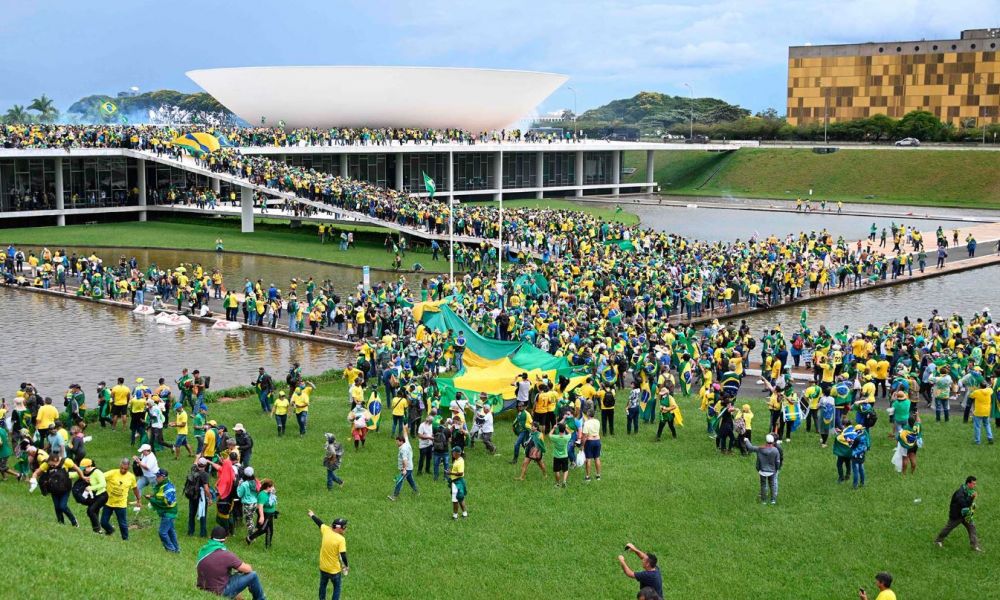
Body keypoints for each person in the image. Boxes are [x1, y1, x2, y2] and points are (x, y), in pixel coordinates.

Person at [197, 525, 267, 599]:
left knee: (231, 576)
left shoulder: (203, 551)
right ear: (225, 539)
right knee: (253, 575)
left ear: (210, 537)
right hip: (220, 592)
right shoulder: (226, 555)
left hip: (203, 588)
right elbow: (248, 569)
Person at [308, 510, 349, 600]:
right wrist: (346, 566)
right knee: (337, 588)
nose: (345, 528)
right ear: (338, 528)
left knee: (322, 586)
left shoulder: (326, 530)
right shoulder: (341, 539)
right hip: (334, 570)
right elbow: (343, 555)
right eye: (344, 527)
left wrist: (312, 515)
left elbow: (319, 523)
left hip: (323, 568)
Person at [934, 475, 981, 551]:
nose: (975, 485)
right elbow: (964, 504)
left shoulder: (969, 491)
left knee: (972, 528)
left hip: (966, 515)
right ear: (968, 484)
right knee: (948, 528)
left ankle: (975, 546)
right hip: (957, 516)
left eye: (975, 484)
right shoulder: (960, 493)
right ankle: (938, 540)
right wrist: (971, 497)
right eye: (973, 483)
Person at [101, 457, 142, 539]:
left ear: (129, 467)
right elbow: (100, 477)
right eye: (122, 468)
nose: (123, 470)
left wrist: (138, 499)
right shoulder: (112, 473)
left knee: (122, 523)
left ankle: (125, 539)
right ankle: (110, 530)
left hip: (121, 504)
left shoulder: (131, 477)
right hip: (109, 501)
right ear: (120, 465)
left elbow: (135, 488)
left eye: (125, 469)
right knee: (103, 522)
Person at [146, 468, 180, 553]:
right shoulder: (162, 485)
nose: (156, 478)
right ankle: (176, 549)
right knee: (171, 532)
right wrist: (152, 496)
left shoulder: (168, 488)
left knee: (162, 532)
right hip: (168, 513)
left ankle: (171, 549)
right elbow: (160, 496)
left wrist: (152, 499)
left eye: (158, 476)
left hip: (168, 513)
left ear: (163, 477)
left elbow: (167, 503)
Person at [744, 434, 781, 505]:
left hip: (762, 471)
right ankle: (773, 500)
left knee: (763, 485)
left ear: (766, 441)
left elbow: (750, 448)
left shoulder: (760, 449)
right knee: (772, 485)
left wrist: (747, 440)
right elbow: (777, 461)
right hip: (772, 471)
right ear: (773, 441)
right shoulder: (775, 450)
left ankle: (764, 501)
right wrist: (777, 469)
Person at [185, 458, 212, 537]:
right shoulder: (204, 474)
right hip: (201, 497)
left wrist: (198, 456)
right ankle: (203, 534)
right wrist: (210, 498)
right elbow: (206, 489)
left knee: (191, 514)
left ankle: (190, 532)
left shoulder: (193, 469)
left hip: (192, 495)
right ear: (205, 465)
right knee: (202, 514)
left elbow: (195, 461)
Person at [388, 428, 418, 501]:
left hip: (406, 468)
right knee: (410, 480)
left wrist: (404, 469)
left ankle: (394, 496)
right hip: (409, 467)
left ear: (401, 441)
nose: (396, 443)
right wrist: (405, 428)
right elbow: (406, 435)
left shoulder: (403, 449)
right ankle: (416, 492)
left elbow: (405, 460)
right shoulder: (406, 442)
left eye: (397, 442)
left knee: (399, 481)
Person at [247, 478, 278, 548]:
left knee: (270, 530)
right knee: (263, 529)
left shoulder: (269, 493)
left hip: (270, 514)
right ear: (268, 487)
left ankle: (268, 546)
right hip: (265, 514)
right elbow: (260, 507)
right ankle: (250, 538)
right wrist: (262, 516)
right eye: (272, 486)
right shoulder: (262, 495)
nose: (274, 488)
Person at [80, 458, 108, 532]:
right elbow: (75, 473)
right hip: (95, 496)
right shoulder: (86, 472)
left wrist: (91, 488)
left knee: (91, 510)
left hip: (102, 495)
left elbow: (103, 484)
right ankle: (97, 530)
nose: (83, 471)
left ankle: (98, 529)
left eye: (84, 469)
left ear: (89, 466)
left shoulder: (97, 472)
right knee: (94, 511)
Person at [580, 409, 602, 482]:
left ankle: (588, 476)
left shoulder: (586, 423)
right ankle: (598, 475)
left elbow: (585, 436)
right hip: (597, 441)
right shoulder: (597, 421)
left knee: (588, 459)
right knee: (597, 458)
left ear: (588, 415)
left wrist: (582, 445)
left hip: (590, 441)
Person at [549, 422, 572, 488]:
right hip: (565, 456)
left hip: (557, 456)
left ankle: (558, 483)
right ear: (564, 429)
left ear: (558, 429)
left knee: (557, 470)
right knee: (565, 470)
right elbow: (570, 433)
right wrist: (566, 428)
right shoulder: (566, 437)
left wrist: (553, 428)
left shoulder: (555, 437)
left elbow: (550, 434)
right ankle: (564, 482)